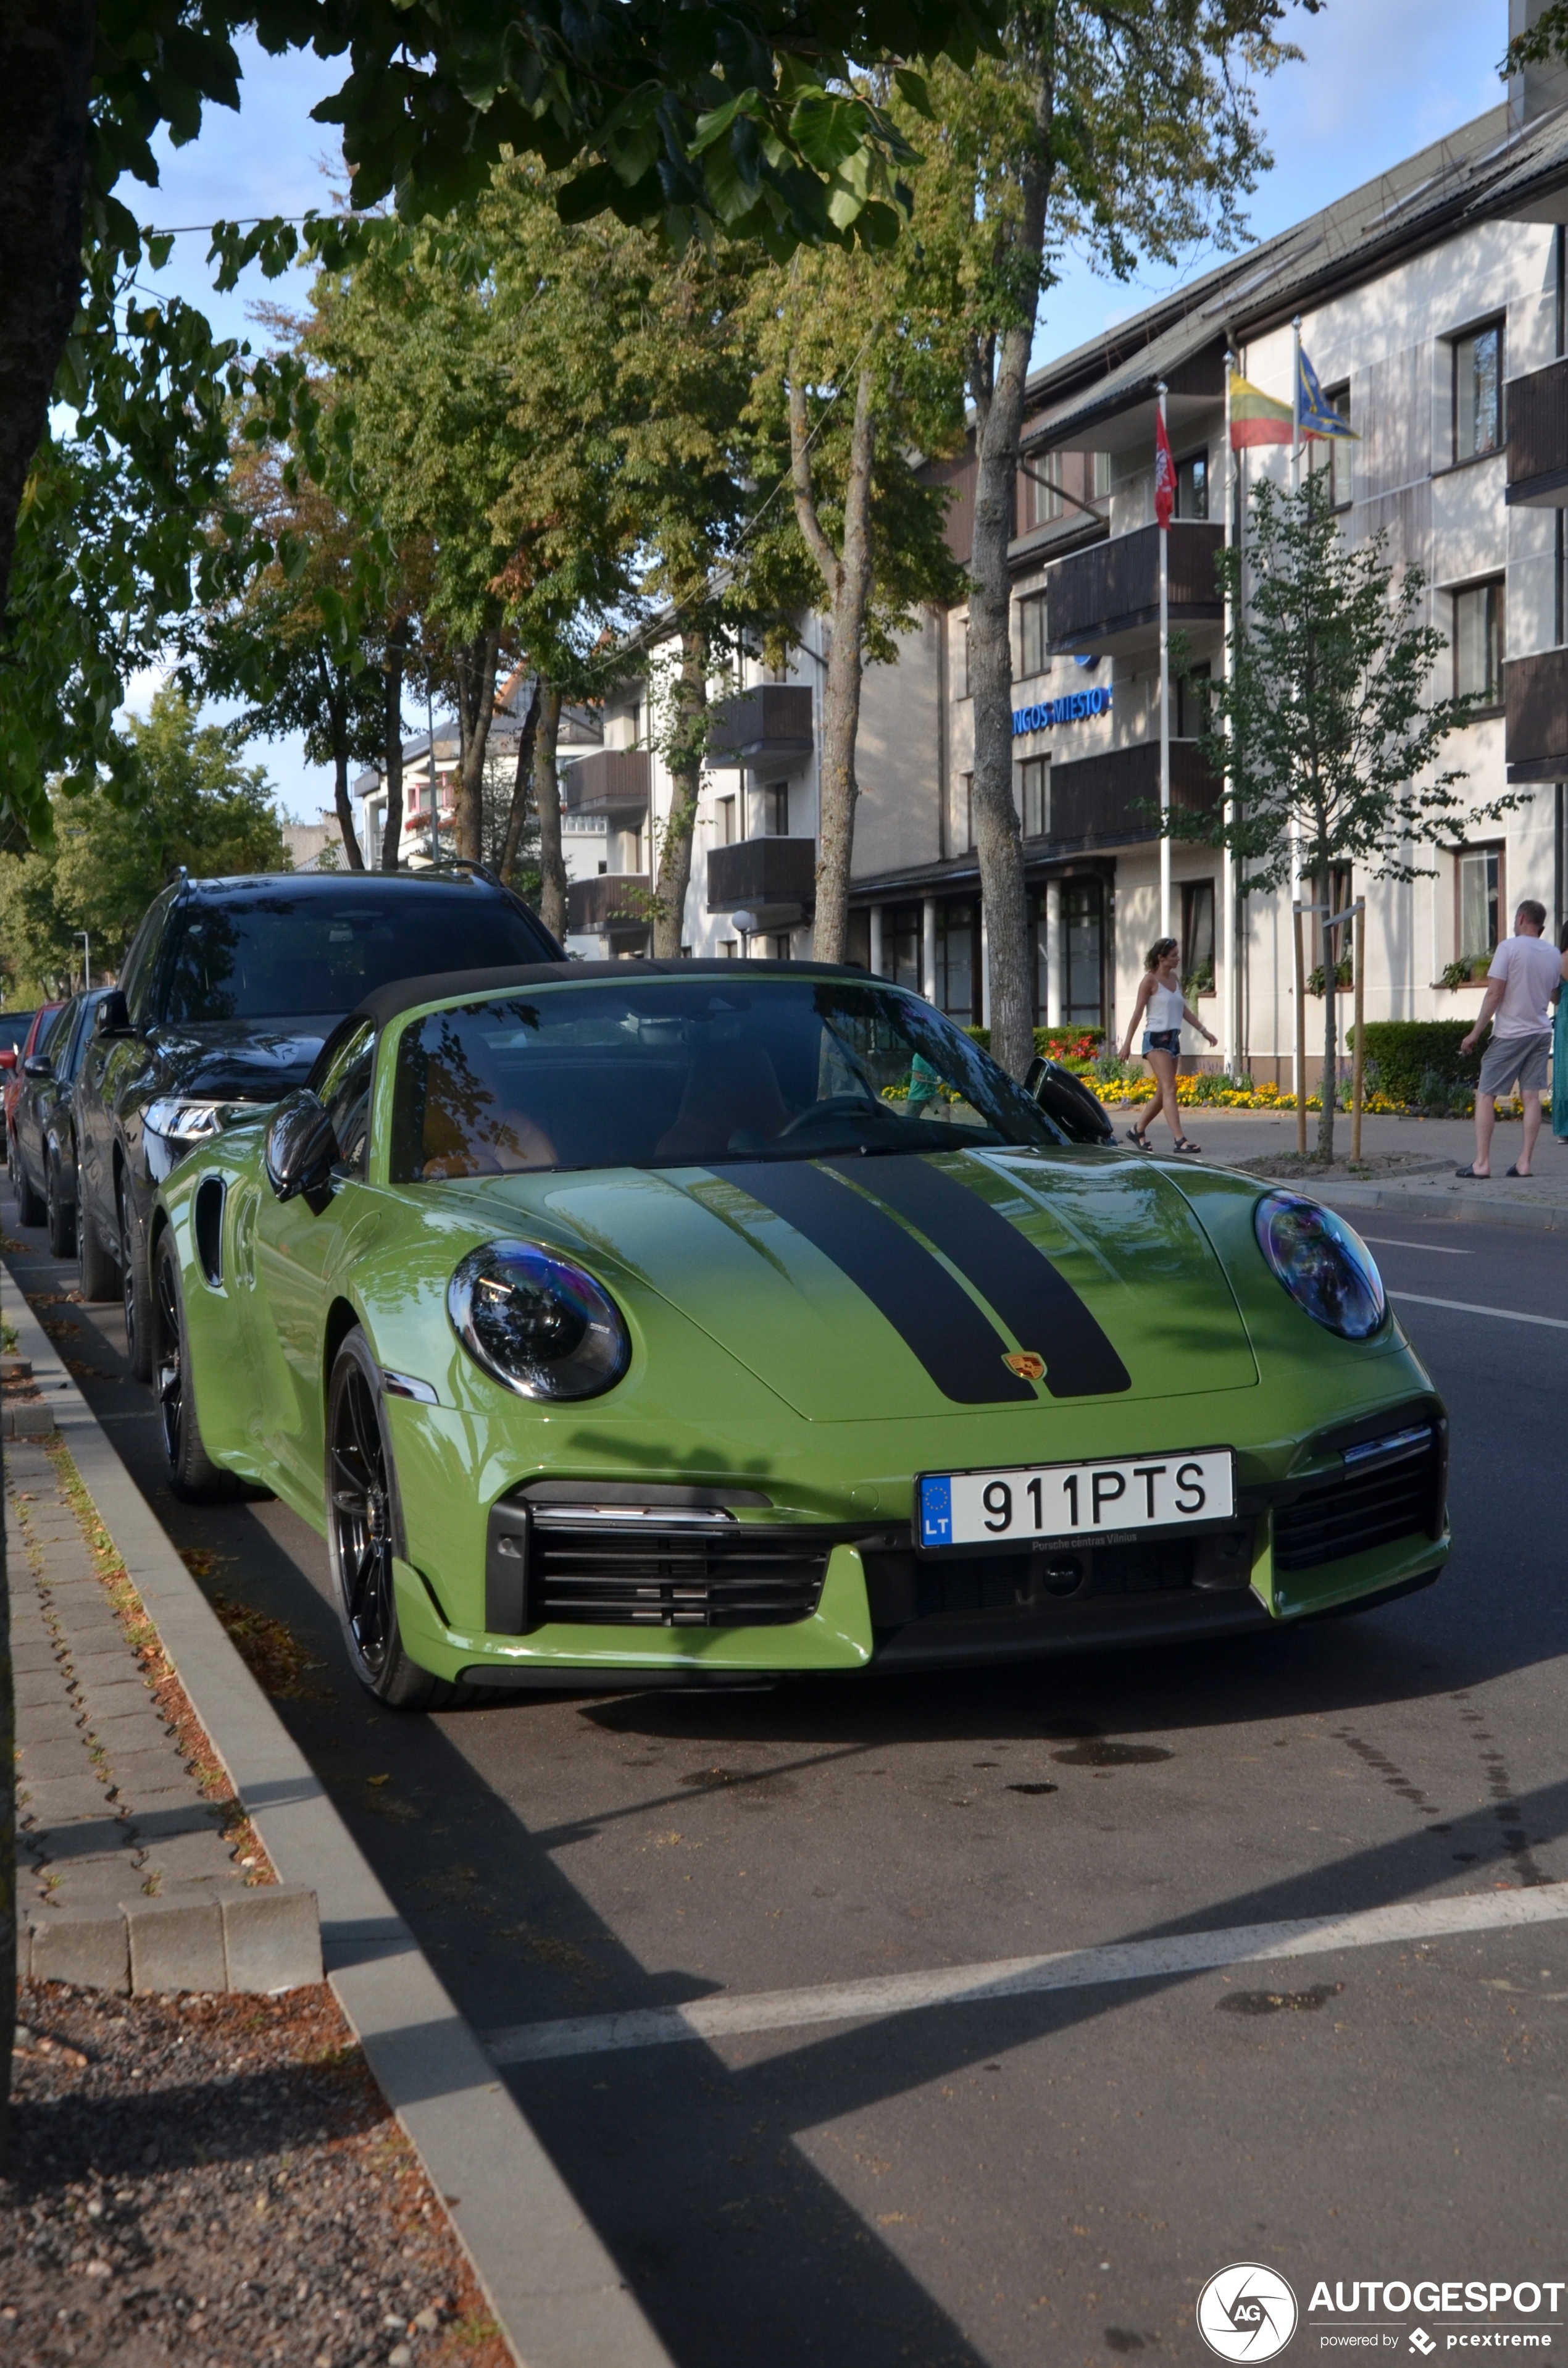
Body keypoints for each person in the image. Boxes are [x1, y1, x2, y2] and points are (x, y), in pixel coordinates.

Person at [1456, 899, 1568, 1179]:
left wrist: (1474, 1034)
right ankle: (1524, 1163)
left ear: (1520, 919)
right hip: (1541, 1032)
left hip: (1510, 1034)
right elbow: (1555, 995)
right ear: (1541, 926)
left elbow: (1494, 994)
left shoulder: (1508, 948)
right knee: (1531, 1096)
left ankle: (1482, 1163)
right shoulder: (1554, 954)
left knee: (1485, 1095)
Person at [1119, 935, 1217, 1155]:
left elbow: (1182, 1010)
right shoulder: (1150, 981)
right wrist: (1127, 1044)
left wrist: (1204, 1031)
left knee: (1163, 1092)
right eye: (1174, 956)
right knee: (1170, 1088)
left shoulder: (1175, 979)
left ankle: (1138, 1129)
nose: (1178, 958)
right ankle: (1180, 1140)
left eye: (1177, 955)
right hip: (1155, 1040)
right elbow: (1137, 1014)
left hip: (1173, 1039)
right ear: (1161, 958)